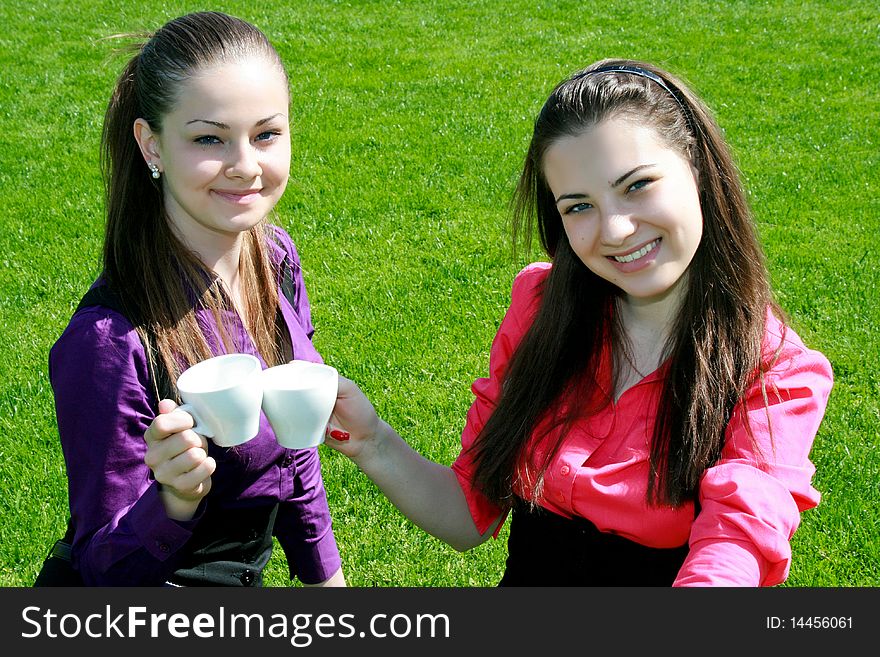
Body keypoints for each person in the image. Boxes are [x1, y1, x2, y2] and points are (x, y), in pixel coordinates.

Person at [324, 59, 834, 586]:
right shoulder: (541, 306)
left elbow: (736, 540)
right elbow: (467, 515)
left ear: (700, 170)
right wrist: (372, 441)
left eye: (637, 185)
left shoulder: (777, 373)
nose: (614, 229)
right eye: (578, 206)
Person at [48, 11, 345, 586]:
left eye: (266, 134)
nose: (245, 166)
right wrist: (176, 500)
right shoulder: (110, 340)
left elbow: (293, 450)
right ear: (151, 144)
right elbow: (101, 569)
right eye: (209, 138)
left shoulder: (274, 259)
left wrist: (327, 582)